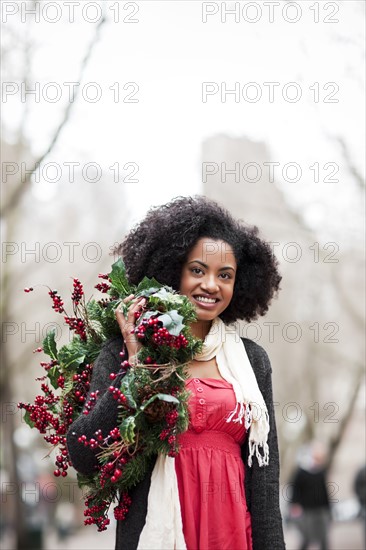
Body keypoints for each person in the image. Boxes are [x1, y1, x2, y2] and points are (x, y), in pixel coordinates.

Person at [66, 195, 286, 550]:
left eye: (224, 275)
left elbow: (264, 481)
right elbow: (85, 456)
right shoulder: (124, 350)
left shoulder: (252, 361)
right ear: (172, 270)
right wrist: (137, 369)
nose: (211, 285)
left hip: (233, 534)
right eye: (197, 270)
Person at [289, 441, 331, 550]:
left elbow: (324, 490)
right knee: (306, 538)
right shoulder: (302, 471)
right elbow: (295, 489)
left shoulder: (321, 471)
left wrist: (329, 507)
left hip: (321, 509)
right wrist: (294, 504)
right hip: (307, 509)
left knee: (324, 537)